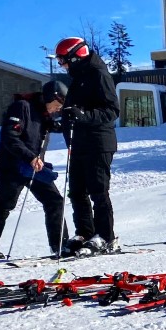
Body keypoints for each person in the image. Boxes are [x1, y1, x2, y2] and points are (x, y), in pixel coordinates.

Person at [0, 81, 69, 259]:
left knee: (54, 200)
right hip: (12, 165)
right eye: (58, 104)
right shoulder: (22, 107)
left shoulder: (44, 114)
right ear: (50, 97)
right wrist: (30, 157)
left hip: (33, 167)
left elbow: (52, 126)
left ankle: (59, 245)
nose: (58, 109)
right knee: (4, 205)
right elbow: (9, 136)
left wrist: (69, 121)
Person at [54, 36, 119, 254]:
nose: (62, 65)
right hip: (78, 143)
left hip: (98, 142)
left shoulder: (98, 74)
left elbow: (111, 111)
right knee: (77, 192)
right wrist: (65, 121)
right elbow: (74, 112)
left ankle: (105, 236)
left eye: (63, 60)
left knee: (98, 191)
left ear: (75, 56)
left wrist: (84, 115)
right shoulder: (78, 77)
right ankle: (85, 232)